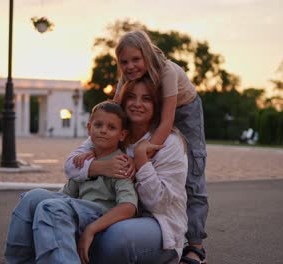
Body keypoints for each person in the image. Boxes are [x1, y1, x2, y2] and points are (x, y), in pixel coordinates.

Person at [70, 30, 209, 263]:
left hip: (185, 109)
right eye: (124, 62)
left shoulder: (167, 71)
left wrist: (140, 157)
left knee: (193, 174)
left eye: (136, 60)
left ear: (146, 55)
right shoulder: (128, 78)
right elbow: (114, 110)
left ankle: (195, 245)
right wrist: (99, 147)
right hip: (155, 105)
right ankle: (132, 217)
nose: (130, 66)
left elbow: (166, 122)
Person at [65, 77, 188, 263]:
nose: (137, 104)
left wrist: (141, 160)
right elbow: (70, 168)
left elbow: (158, 204)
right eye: (131, 97)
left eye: (146, 98)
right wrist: (97, 160)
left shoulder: (170, 143)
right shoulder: (111, 129)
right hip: (113, 215)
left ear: (156, 105)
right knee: (36, 202)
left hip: (159, 224)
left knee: (114, 238)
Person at [4, 101, 138, 264]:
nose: (103, 130)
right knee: (32, 198)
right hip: (79, 210)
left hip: (99, 215)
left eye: (111, 128)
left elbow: (129, 206)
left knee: (49, 208)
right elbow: (65, 196)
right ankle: (18, 261)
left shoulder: (120, 163)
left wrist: (92, 228)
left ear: (122, 135)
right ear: (89, 128)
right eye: (98, 125)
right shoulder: (86, 161)